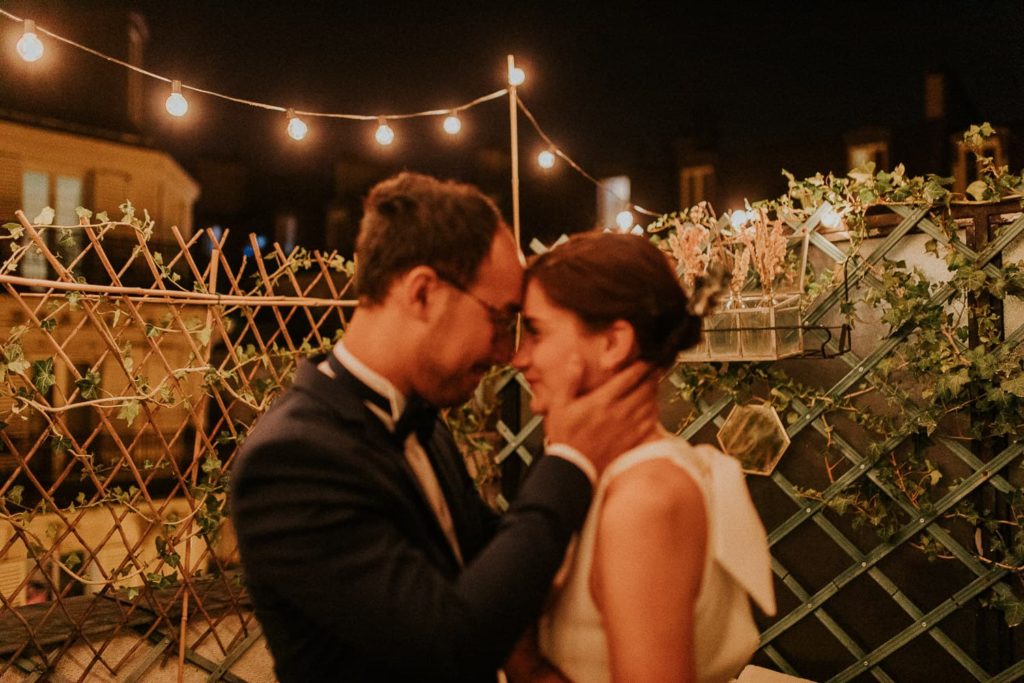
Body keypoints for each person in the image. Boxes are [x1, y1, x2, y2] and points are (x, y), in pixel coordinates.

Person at [230, 173, 657, 682]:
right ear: (423, 293)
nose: (506, 353)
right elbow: (449, 644)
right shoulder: (291, 460)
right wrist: (569, 458)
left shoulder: (423, 421)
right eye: (500, 319)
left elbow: (486, 556)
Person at [504, 232, 777, 683]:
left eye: (535, 331)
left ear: (612, 343)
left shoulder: (644, 500)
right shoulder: (600, 477)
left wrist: (525, 665)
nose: (519, 358)